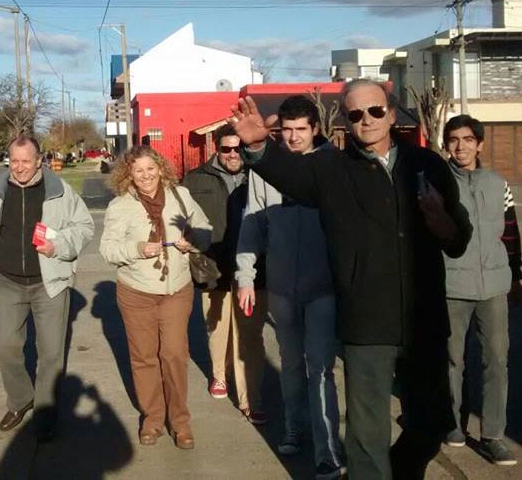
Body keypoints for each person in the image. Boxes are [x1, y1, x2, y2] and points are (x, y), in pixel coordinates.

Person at [229, 78, 472, 480]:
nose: (367, 120)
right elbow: (290, 175)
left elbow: (458, 240)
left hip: (423, 319)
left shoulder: (426, 165)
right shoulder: (330, 167)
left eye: (376, 110)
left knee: (431, 425)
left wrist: (440, 221)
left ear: (392, 114)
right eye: (356, 114)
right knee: (366, 436)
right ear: (345, 121)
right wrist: (258, 146)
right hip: (366, 322)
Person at [235, 95, 344, 478]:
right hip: (282, 289)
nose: (294, 137)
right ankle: (295, 428)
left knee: (321, 369)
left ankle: (328, 448)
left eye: (302, 129)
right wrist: (245, 277)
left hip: (323, 290)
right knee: (292, 365)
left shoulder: (332, 169)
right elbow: (252, 225)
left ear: (316, 129)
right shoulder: (264, 171)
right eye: (288, 130)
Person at [0, 134, 94, 443]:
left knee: (50, 353)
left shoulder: (60, 192)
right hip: (7, 282)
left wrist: (58, 245)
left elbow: (85, 227)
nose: (19, 168)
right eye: (15, 161)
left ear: (39, 161)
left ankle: (46, 412)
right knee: (6, 346)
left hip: (49, 283)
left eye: (26, 161)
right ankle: (21, 399)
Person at [99, 145, 212, 449]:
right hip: (136, 292)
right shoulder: (120, 206)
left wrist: (193, 240)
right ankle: (152, 418)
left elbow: (204, 229)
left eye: (151, 169)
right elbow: (107, 249)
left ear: (161, 168)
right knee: (144, 357)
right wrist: (136, 249)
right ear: (129, 175)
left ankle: (180, 421)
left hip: (176, 289)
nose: (146, 175)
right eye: (139, 171)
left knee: (174, 353)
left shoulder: (180, 196)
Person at [441, 114, 520, 466]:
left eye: (467, 139)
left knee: (496, 361)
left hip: (494, 286)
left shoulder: (497, 183)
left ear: (479, 144)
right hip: (451, 284)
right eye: (454, 140)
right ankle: (452, 423)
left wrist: (517, 277)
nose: (461, 146)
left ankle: (493, 435)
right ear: (446, 145)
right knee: (452, 359)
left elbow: (510, 233)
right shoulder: (436, 183)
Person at [183, 124, 268, 424]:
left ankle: (250, 398)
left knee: (250, 336)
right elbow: (181, 220)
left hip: (256, 269)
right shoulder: (195, 179)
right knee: (217, 329)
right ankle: (220, 375)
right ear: (215, 149)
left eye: (238, 148)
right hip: (213, 265)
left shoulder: (261, 176)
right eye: (226, 149)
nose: (233, 154)